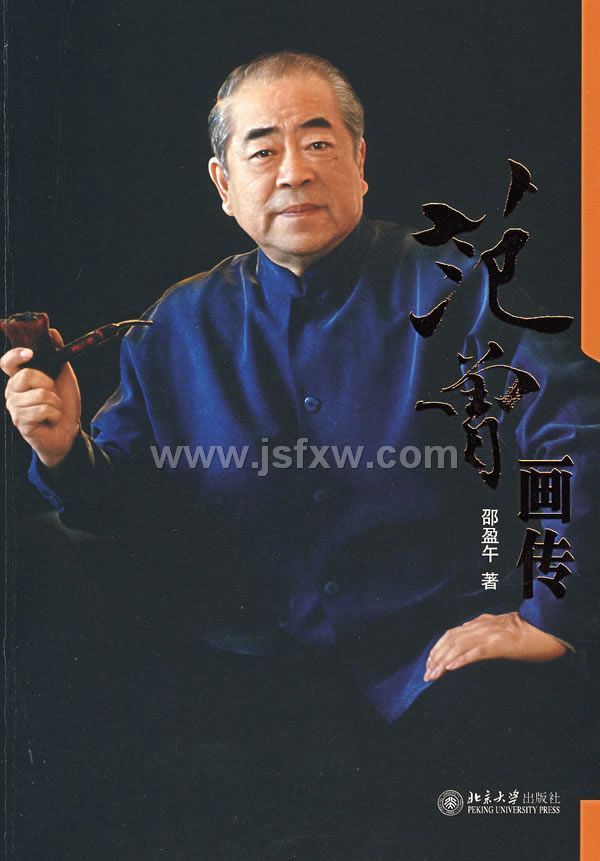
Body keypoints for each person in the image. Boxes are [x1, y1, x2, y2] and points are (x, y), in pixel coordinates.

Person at [4, 51, 599, 859]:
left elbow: (577, 433)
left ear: (360, 162)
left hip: (438, 663)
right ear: (223, 183)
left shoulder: (459, 287)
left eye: (318, 143)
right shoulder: (177, 323)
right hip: (246, 684)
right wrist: (63, 450)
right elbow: (129, 503)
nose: (293, 172)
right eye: (263, 150)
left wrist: (551, 615)